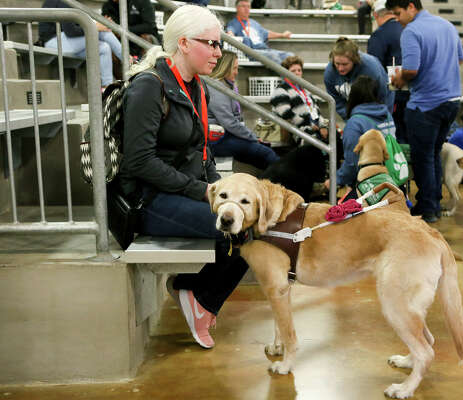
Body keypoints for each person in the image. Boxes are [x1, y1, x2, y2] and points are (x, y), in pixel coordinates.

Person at [118, 5, 251, 348]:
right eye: (210, 43)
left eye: (219, 44)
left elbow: (202, 151)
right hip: (149, 201)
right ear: (184, 44)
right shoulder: (149, 86)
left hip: (180, 192)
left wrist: (218, 190)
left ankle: (192, 293)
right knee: (243, 230)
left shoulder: (197, 88)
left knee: (251, 220)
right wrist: (202, 191)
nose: (218, 52)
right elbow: (139, 162)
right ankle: (198, 298)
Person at [387, 0, 463, 223]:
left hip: (426, 105)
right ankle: (434, 202)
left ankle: (427, 207)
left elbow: (411, 69)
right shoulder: (447, 25)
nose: (397, 19)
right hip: (451, 101)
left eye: (398, 13)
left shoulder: (411, 31)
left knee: (423, 157)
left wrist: (398, 79)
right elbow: (458, 60)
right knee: (434, 153)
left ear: (411, 6)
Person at [207, 50, 279, 170]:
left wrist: (251, 136)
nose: (236, 72)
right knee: (267, 154)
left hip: (227, 135)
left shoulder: (228, 85)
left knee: (264, 156)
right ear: (225, 68)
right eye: (234, 68)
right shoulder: (217, 88)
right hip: (216, 140)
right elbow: (229, 123)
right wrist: (252, 136)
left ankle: (275, 185)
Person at [324, 75, 395, 191]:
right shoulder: (387, 116)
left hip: (369, 184)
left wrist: (336, 179)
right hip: (391, 177)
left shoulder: (355, 123)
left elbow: (352, 163)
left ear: (353, 96)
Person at [39, 0, 123, 88]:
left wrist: (97, 25)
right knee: (101, 32)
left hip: (65, 41)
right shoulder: (63, 1)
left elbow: (76, 27)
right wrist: (96, 26)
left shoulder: (70, 2)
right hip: (53, 41)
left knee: (104, 48)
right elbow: (71, 31)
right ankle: (129, 60)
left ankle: (107, 87)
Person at [367, 0, 409, 143]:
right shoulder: (408, 29)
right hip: (414, 92)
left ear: (375, 15)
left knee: (395, 135)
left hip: (392, 93)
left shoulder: (379, 35)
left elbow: (373, 68)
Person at [324, 37, 394, 120]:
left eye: (345, 64)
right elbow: (336, 101)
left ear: (354, 60)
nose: (340, 68)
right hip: (353, 113)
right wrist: (352, 117)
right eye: (337, 63)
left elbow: (383, 96)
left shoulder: (371, 68)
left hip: (379, 108)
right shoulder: (330, 72)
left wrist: (381, 118)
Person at [270, 55, 329, 143]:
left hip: (314, 128)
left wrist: (322, 126)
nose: (297, 73)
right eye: (293, 71)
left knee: (336, 137)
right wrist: (311, 126)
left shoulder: (305, 90)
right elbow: (287, 115)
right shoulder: (280, 91)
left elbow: (316, 112)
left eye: (299, 70)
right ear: (285, 72)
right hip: (299, 132)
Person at [225, 0, 294, 64]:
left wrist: (282, 35)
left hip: (265, 49)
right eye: (243, 6)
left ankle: (291, 75)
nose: (246, 9)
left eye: (248, 6)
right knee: (272, 56)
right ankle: (286, 76)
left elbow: (266, 33)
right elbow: (230, 33)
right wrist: (230, 34)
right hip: (251, 51)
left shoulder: (254, 23)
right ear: (237, 8)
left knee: (290, 56)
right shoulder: (233, 23)